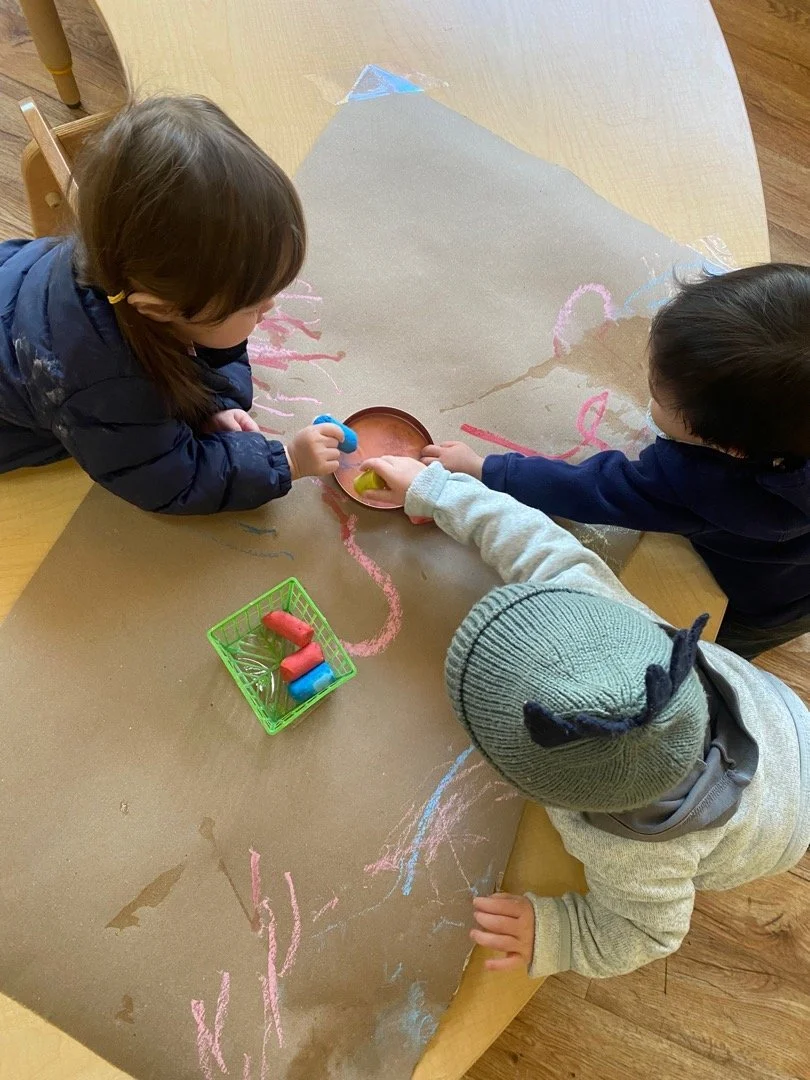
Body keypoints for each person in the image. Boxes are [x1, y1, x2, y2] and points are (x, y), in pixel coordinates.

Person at [361, 454, 810, 980]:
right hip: (785, 718)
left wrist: (560, 933)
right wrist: (437, 490)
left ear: (527, 782)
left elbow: (650, 933)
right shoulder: (613, 622)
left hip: (780, 832)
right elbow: (537, 547)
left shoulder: (634, 854)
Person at [421, 265, 810, 658]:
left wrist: (486, 470)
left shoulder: (699, 484)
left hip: (759, 602)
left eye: (658, 398)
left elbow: (597, 490)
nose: (648, 391)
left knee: (706, 649)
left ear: (730, 448)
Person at [0, 96, 342, 514]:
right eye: (250, 307)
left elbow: (208, 344)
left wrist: (213, 405)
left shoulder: (132, 264)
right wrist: (286, 462)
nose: (269, 308)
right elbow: (170, 480)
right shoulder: (106, 389)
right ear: (160, 309)